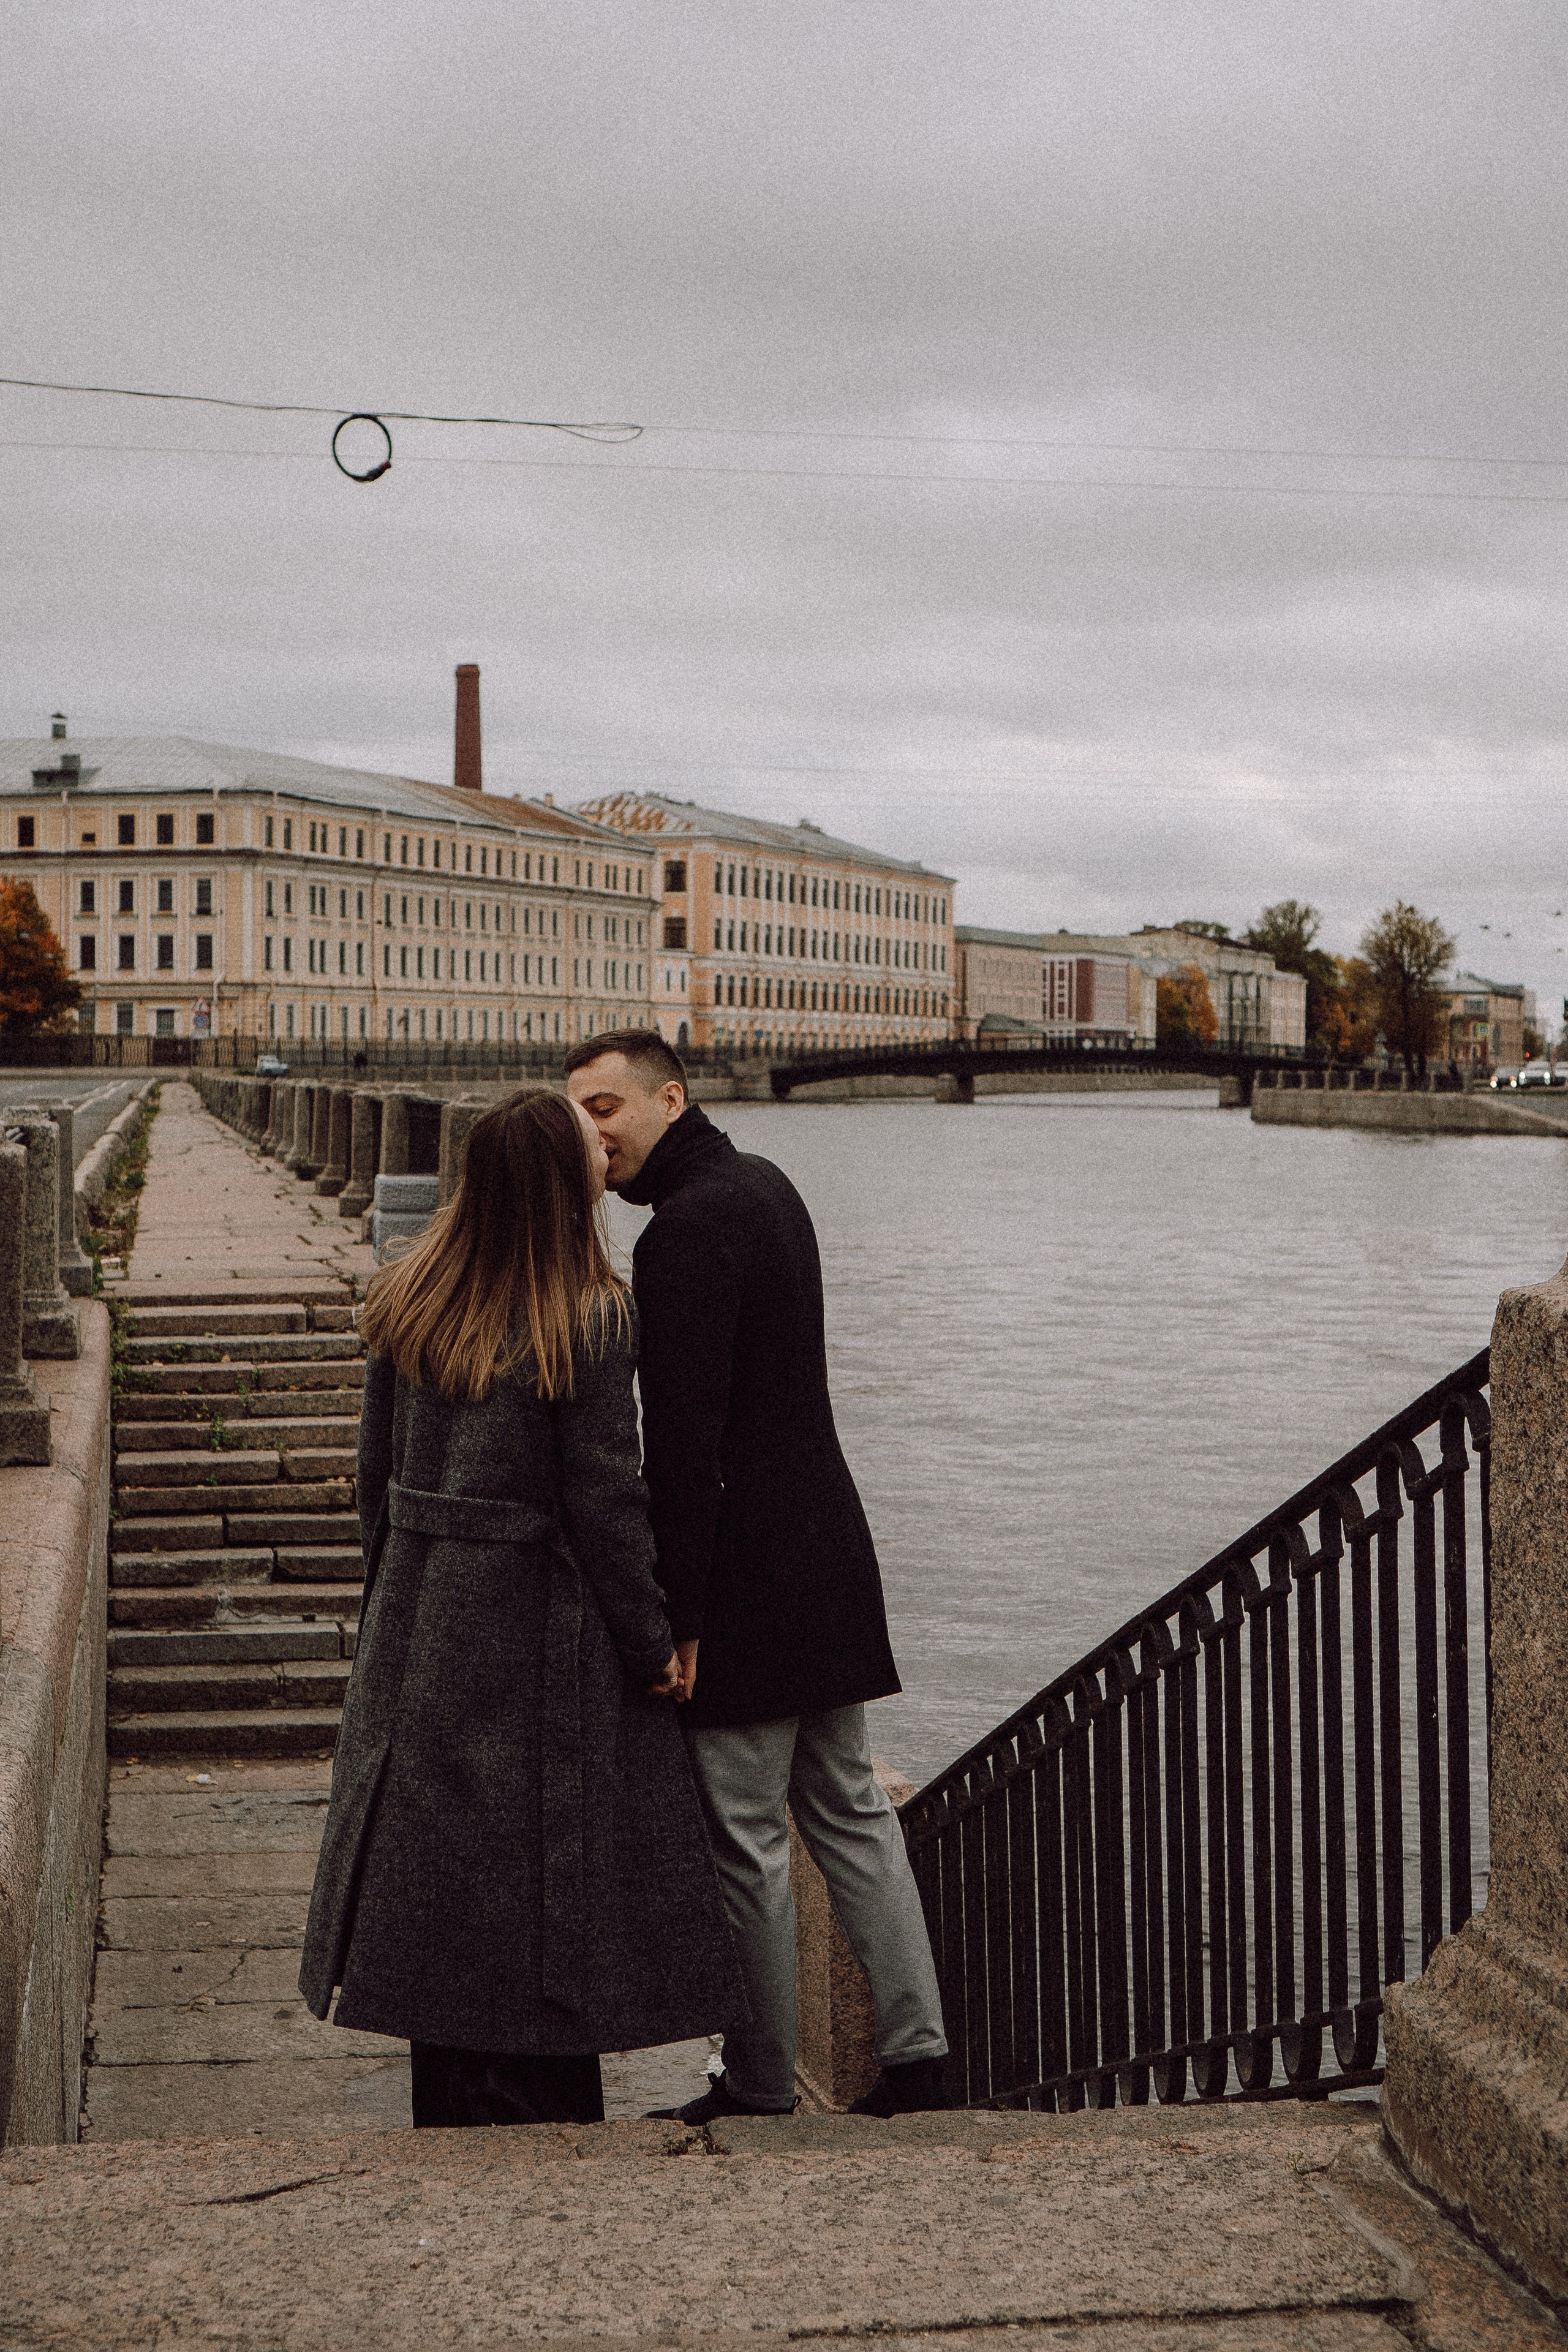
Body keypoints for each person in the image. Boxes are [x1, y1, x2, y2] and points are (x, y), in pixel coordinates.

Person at [299, 1087, 744, 2128]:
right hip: (542, 1631)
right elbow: (606, 1502)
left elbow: (373, 1479)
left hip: (422, 1609)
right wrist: (651, 1643)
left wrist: (398, 1602)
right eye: (588, 1144)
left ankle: (449, 2100)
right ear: (557, 1178)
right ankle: (540, 2115)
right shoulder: (588, 1313)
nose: (606, 1154)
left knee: (437, 1870)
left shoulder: (406, 1288)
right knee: (544, 1879)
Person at [565, 1030, 950, 2120]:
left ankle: (761, 2082)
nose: (593, 1136)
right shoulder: (770, 1186)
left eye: (607, 1108)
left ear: (669, 1099)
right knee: (848, 1809)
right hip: (826, 1545)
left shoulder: (680, 1235)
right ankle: (921, 2057)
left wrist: (678, 1617)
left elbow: (684, 1450)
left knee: (746, 1837)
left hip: (743, 1575)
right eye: (578, 1116)